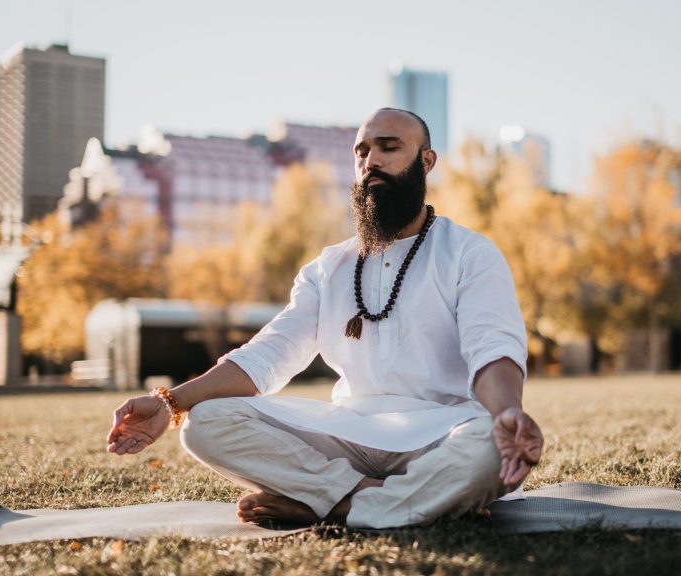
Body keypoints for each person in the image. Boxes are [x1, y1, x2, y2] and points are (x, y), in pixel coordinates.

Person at [106, 108, 544, 529]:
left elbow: (493, 349)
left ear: (426, 162)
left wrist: (506, 411)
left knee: (490, 443)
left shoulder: (470, 253)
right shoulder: (327, 267)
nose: (371, 161)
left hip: (440, 436)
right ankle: (379, 502)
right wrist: (171, 403)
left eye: (388, 148)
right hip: (346, 437)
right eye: (362, 151)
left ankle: (331, 504)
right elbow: (269, 355)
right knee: (205, 423)